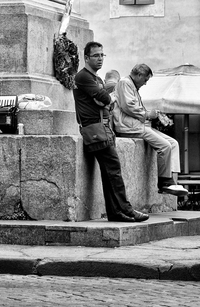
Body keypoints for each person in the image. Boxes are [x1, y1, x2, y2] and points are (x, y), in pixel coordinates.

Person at [73, 41, 149, 223]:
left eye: (102, 55)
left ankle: (116, 213)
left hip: (103, 130)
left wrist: (106, 99)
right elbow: (104, 98)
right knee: (113, 170)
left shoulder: (97, 79)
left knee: (110, 173)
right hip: (94, 131)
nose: (100, 59)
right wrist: (107, 99)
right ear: (86, 58)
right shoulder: (83, 77)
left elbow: (106, 102)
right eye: (96, 55)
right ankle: (127, 210)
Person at [112, 64, 188, 197]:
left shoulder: (131, 85)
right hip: (129, 127)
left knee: (174, 144)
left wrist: (154, 115)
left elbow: (132, 107)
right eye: (145, 80)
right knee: (165, 146)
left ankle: (173, 181)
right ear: (139, 75)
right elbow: (128, 106)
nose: (145, 83)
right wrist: (148, 114)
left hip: (138, 125)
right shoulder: (125, 83)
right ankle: (164, 183)